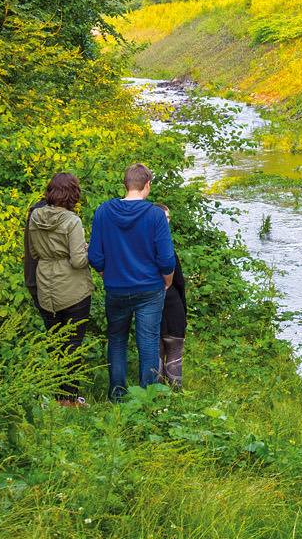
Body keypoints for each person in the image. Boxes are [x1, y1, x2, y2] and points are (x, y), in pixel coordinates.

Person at [88, 163, 176, 401]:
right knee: (147, 341)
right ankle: (146, 398)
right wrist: (166, 281)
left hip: (116, 288)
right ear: (147, 185)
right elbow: (167, 259)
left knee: (117, 339)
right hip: (149, 288)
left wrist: (108, 273)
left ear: (125, 184)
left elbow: (95, 256)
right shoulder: (155, 214)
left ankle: (117, 394)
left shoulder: (104, 211)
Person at [25, 172, 92, 406]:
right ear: (73, 193)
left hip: (45, 285)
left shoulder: (35, 217)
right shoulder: (72, 221)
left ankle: (57, 396)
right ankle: (71, 399)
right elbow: (77, 261)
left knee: (55, 343)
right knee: (73, 344)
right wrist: (87, 249)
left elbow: (34, 253)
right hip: (72, 288)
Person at [154, 202, 188, 389]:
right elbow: (179, 282)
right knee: (173, 348)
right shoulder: (166, 249)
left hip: (155, 303)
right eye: (166, 219)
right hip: (169, 301)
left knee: (158, 348)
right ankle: (174, 389)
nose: (167, 223)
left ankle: (157, 391)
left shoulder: (141, 246)